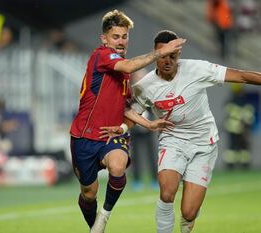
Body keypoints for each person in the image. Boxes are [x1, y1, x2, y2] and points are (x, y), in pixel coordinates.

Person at [100, 30, 261, 233]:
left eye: (173, 56)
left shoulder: (198, 69)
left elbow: (242, 75)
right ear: (155, 55)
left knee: (188, 212)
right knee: (166, 191)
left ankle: (189, 219)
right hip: (172, 141)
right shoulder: (145, 87)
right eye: (163, 56)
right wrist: (123, 128)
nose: (167, 61)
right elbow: (133, 114)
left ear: (178, 54)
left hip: (203, 144)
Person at [69, 10, 184, 233]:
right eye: (116, 37)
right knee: (88, 193)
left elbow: (126, 108)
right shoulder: (101, 55)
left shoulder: (124, 72)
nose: (121, 42)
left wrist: (148, 124)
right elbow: (129, 65)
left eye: (124, 37)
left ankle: (104, 216)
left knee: (118, 166)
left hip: (111, 134)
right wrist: (161, 52)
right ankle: (94, 225)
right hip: (84, 135)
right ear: (104, 39)